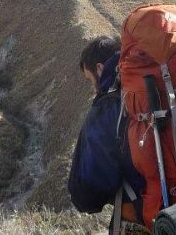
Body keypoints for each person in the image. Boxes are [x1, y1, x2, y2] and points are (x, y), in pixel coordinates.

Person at [68, 36, 146, 233]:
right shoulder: (150, 83)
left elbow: (90, 188)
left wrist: (82, 199)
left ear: (100, 68)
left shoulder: (109, 105)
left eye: (90, 80)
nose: (94, 88)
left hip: (144, 214)